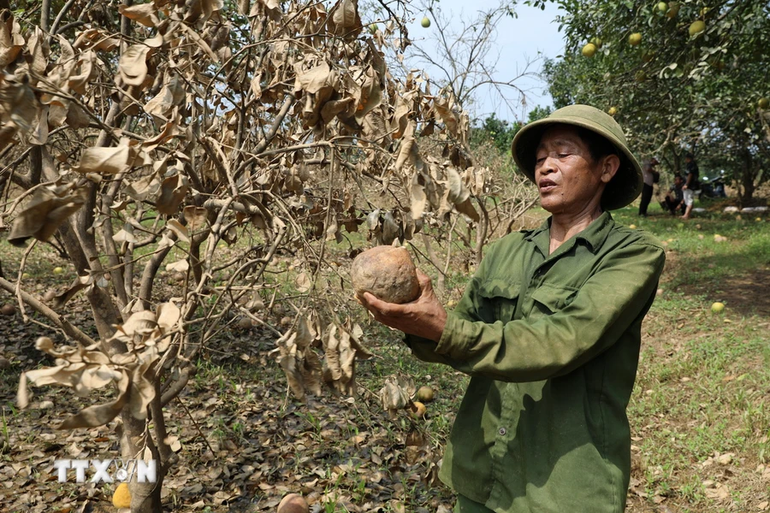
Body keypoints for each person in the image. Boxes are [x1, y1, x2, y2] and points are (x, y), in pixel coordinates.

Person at [358, 105, 665, 513]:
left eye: (563, 154)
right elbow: (460, 335)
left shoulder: (632, 255)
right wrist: (414, 320)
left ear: (606, 168)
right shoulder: (507, 250)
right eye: (540, 158)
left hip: (564, 486)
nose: (546, 167)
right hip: (482, 469)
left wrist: (443, 328)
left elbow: (563, 341)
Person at [681, 152, 700, 219]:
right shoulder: (692, 165)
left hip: (690, 185)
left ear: (687, 158)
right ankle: (687, 214)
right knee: (687, 199)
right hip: (691, 184)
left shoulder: (691, 165)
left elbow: (690, 174)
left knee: (689, 199)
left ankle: (686, 215)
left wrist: (686, 184)